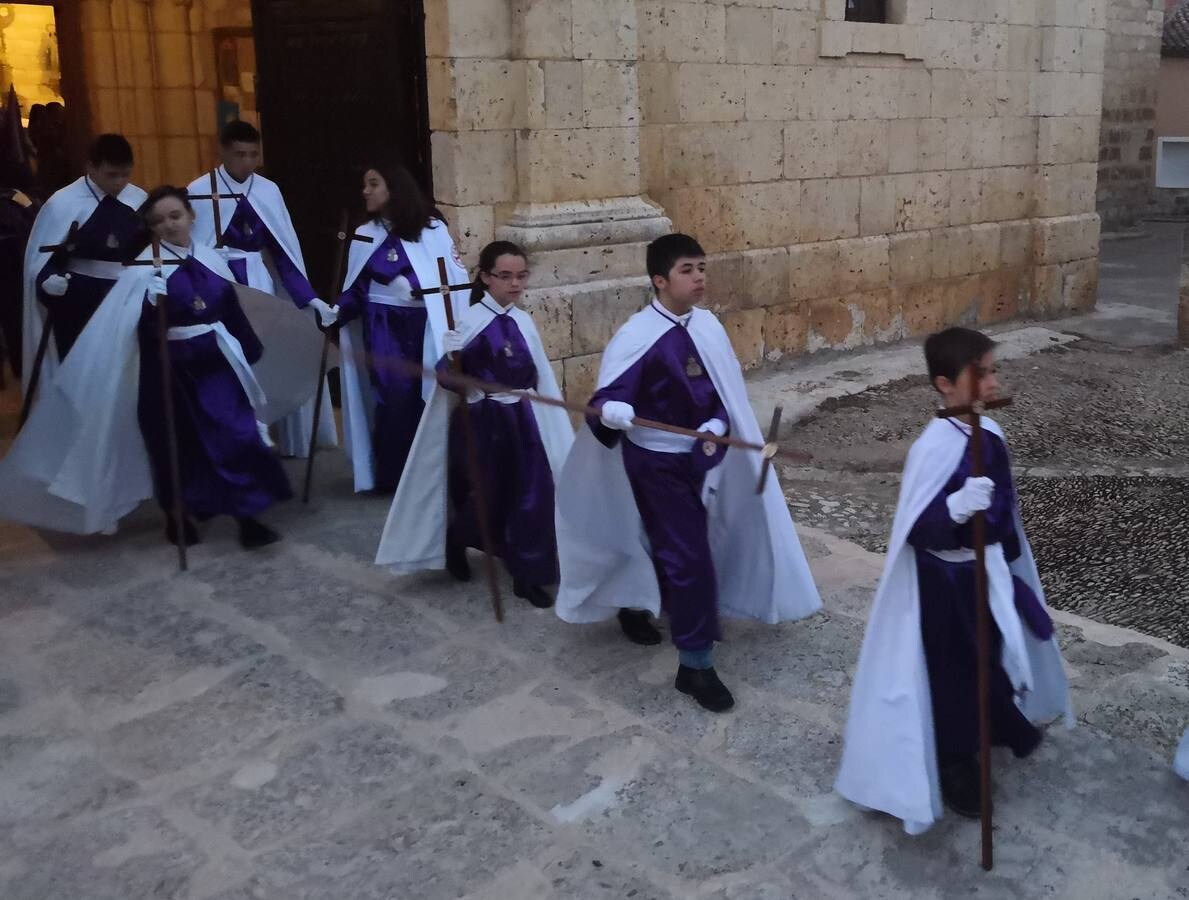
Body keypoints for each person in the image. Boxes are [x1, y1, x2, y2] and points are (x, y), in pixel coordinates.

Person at [554, 233, 821, 712]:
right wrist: (612, 408)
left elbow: (722, 391)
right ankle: (695, 666)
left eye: (702, 267)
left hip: (704, 456)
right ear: (659, 280)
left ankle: (637, 601)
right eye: (686, 270)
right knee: (689, 555)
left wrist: (719, 421)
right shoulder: (638, 336)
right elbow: (604, 400)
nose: (699, 277)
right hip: (655, 461)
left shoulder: (708, 327)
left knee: (680, 542)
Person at [835, 326, 1072, 834]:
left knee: (990, 656)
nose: (991, 382)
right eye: (979, 373)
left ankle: (992, 729)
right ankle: (954, 757)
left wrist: (1002, 541)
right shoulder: (933, 447)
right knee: (953, 668)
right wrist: (955, 511)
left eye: (993, 371)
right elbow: (917, 529)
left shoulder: (991, 438)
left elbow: (1006, 514)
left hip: (983, 574)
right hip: (941, 582)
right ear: (945, 384)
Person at [0, 186, 291, 549]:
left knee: (235, 434)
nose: (169, 226)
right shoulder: (143, 272)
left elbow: (229, 307)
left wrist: (248, 347)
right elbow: (129, 330)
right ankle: (177, 513)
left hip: (216, 364)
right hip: (169, 369)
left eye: (175, 216)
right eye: (158, 221)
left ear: (190, 216)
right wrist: (152, 309)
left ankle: (247, 516)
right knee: (174, 446)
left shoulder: (209, 259)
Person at [375, 241, 573, 608]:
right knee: (486, 496)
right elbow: (448, 381)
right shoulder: (469, 322)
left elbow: (535, 373)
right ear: (485, 277)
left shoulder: (523, 320)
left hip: (524, 420)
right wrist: (451, 363)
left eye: (521, 276)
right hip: (485, 423)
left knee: (533, 493)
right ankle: (455, 540)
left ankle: (528, 572)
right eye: (505, 276)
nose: (515, 284)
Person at [186, 120, 337, 457]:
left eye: (254, 154)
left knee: (264, 358)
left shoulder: (268, 191)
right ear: (222, 151)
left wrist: (310, 299)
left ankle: (266, 430)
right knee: (228, 360)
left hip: (260, 282)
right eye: (239, 154)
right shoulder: (197, 191)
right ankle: (231, 436)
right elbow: (190, 249)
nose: (248, 162)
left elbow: (284, 254)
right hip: (218, 284)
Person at [334, 161, 468, 492]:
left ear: (393, 187)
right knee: (393, 399)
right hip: (383, 327)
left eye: (373, 183)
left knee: (429, 396)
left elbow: (454, 277)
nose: (365, 190)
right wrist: (335, 311)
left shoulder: (433, 229)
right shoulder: (364, 235)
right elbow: (358, 287)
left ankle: (433, 474)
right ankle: (394, 477)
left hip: (424, 324)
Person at [21, 133, 146, 398]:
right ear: (91, 167)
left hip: (125, 296)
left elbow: (151, 248)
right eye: (112, 175)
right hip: (80, 301)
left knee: (125, 371)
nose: (120, 183)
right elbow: (43, 257)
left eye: (125, 175)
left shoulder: (137, 200)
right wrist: (47, 279)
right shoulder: (63, 204)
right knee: (82, 372)